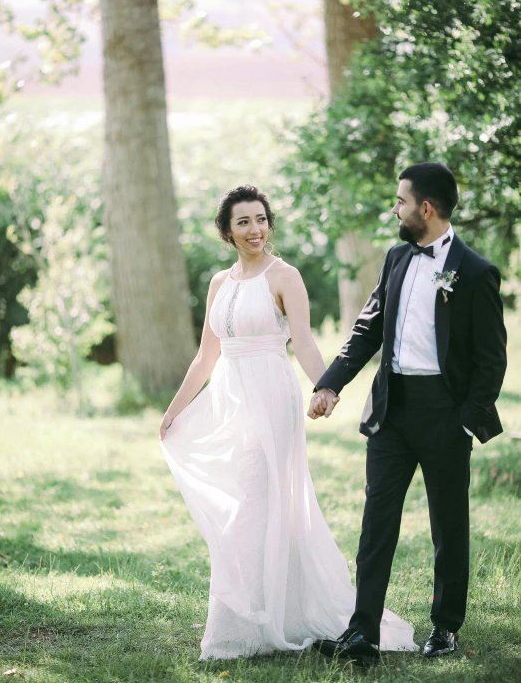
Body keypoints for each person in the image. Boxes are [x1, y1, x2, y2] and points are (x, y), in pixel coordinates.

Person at [159, 185, 417, 660]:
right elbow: (204, 358)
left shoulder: (285, 276)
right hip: (230, 400)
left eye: (261, 219)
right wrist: (175, 410)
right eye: (243, 222)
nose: (254, 229)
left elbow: (304, 342)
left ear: (269, 223)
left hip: (271, 398)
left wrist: (326, 386)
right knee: (251, 502)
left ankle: (240, 627)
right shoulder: (220, 283)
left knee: (254, 502)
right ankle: (271, 609)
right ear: (227, 231)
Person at [310, 163, 507, 664]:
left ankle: (445, 628)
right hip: (392, 414)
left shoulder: (476, 271)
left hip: (445, 416)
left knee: (448, 526)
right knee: (377, 525)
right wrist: (331, 383)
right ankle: (362, 634)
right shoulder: (397, 257)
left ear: (425, 208)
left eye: (400, 201)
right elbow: (368, 329)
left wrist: (466, 418)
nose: (393, 209)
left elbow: (491, 359)